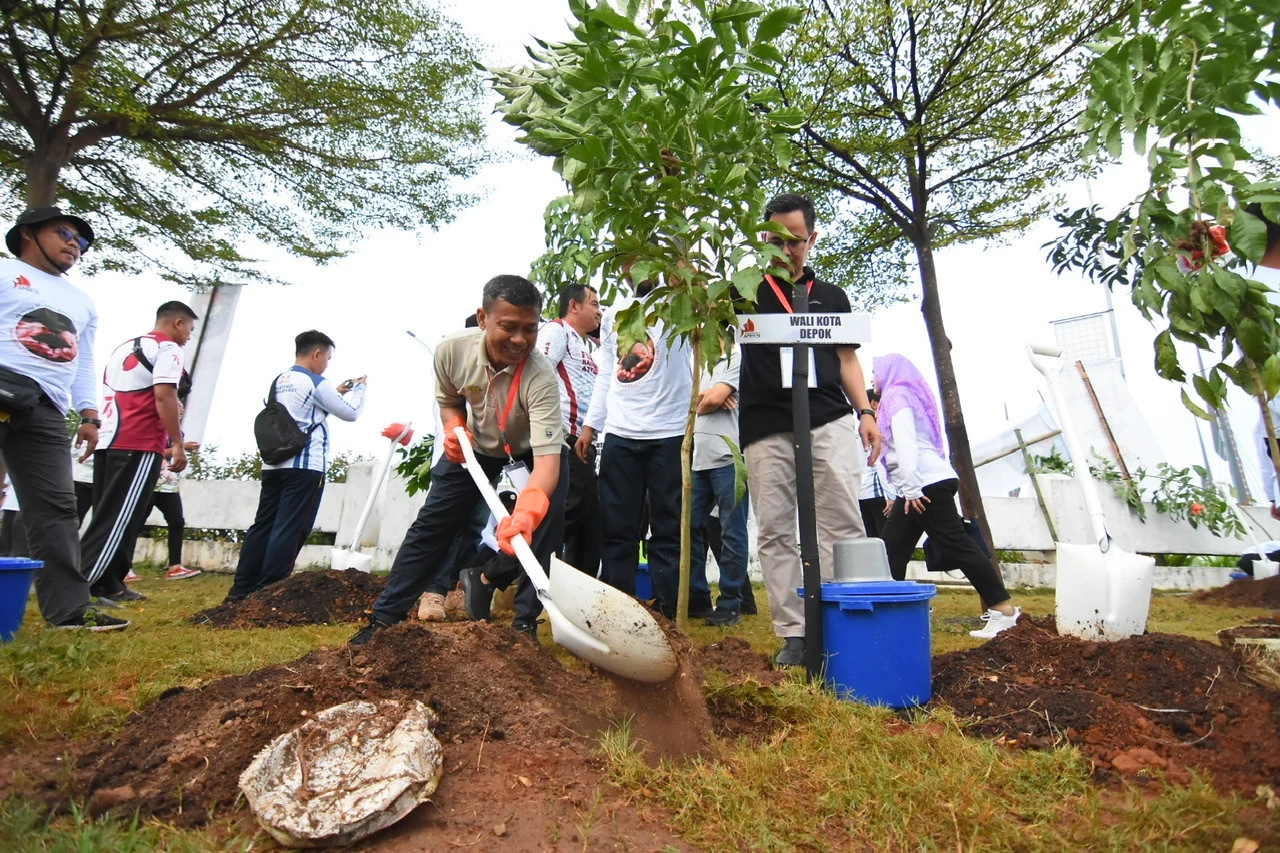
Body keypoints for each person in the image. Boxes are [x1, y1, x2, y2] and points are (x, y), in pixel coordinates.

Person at [352, 275, 568, 644]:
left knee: (546, 527)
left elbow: (548, 460)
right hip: (477, 447)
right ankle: (384, 620)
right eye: (509, 327)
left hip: (530, 450)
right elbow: (450, 400)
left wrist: (528, 513)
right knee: (432, 525)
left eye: (530, 329)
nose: (520, 340)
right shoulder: (451, 351)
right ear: (483, 318)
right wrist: (454, 428)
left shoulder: (541, 376)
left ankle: (524, 624)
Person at [735, 193, 881, 666]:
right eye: (774, 240)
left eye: (794, 241)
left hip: (827, 417)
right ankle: (794, 633)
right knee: (775, 528)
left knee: (840, 521)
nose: (785, 250)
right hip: (765, 423)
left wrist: (866, 413)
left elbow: (846, 359)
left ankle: (842, 617)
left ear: (811, 239)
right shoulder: (744, 290)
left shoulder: (832, 296)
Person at [0, 205, 125, 630]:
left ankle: (70, 610)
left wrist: (89, 414)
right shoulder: (4, 274)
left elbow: (84, 359)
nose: (75, 244)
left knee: (56, 506)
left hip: (46, 407)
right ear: (28, 234)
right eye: (64, 233)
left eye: (82, 241)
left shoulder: (80, 300)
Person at [873, 353, 1021, 639]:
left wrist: (912, 489)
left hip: (923, 484)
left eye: (874, 372)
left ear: (889, 372)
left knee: (956, 544)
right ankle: (889, 613)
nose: (871, 378)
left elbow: (906, 443)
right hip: (920, 483)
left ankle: (1004, 612)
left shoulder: (895, 396)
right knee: (892, 548)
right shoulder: (904, 395)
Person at [576, 266, 693, 619]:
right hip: (621, 434)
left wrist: (683, 275)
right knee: (616, 526)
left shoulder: (681, 305)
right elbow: (607, 374)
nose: (634, 271)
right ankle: (618, 608)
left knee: (669, 526)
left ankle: (669, 610)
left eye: (643, 261)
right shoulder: (615, 315)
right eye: (626, 265)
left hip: (669, 433)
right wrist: (590, 426)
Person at [226, 330, 365, 600]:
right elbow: (351, 413)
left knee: (263, 526)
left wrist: (337, 390)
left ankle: (241, 588)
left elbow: (301, 410)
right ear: (316, 354)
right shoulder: (315, 381)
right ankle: (269, 590)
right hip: (305, 466)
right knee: (290, 528)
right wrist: (359, 390)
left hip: (275, 463)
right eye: (327, 358)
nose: (327, 364)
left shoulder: (280, 380)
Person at [81, 301, 197, 603]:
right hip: (138, 441)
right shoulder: (169, 349)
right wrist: (177, 442)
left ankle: (111, 583)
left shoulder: (125, 347)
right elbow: (164, 395)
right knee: (119, 518)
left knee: (114, 514)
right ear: (178, 323)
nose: (188, 337)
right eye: (189, 330)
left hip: (110, 438)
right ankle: (83, 587)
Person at [539, 283, 602, 576]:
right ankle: (496, 569)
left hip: (584, 439)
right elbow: (538, 373)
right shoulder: (556, 331)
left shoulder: (584, 344)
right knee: (573, 508)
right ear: (574, 306)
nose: (599, 312)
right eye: (594, 304)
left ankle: (580, 587)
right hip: (563, 437)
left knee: (591, 519)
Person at [689, 346, 752, 626]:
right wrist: (709, 396)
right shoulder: (696, 360)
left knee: (732, 531)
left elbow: (711, 400)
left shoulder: (736, 357)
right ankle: (697, 598)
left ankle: (730, 604)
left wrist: (708, 397)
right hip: (696, 460)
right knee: (687, 528)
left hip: (729, 457)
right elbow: (691, 401)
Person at [151, 399, 202, 580]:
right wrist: (181, 448)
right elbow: (156, 452)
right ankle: (123, 567)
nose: (180, 411)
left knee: (177, 522)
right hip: (150, 481)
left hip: (168, 484)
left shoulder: (178, 433)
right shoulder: (156, 428)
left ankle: (175, 566)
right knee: (135, 523)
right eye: (177, 408)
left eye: (181, 409)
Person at [859, 388, 897, 537]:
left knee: (872, 541)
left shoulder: (858, 431)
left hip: (862, 494)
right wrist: (891, 496)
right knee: (887, 542)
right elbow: (880, 464)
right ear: (874, 404)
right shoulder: (877, 430)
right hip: (879, 492)